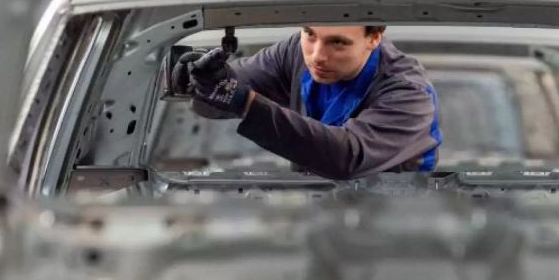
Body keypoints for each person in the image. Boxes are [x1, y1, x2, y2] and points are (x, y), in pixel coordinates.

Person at [171, 25, 442, 179]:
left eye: (338, 43)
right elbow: (220, 97)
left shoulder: (409, 91)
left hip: (396, 223)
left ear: (373, 38)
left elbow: (347, 156)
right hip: (314, 213)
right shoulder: (293, 52)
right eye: (310, 34)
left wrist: (241, 99)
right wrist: (199, 82)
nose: (317, 56)